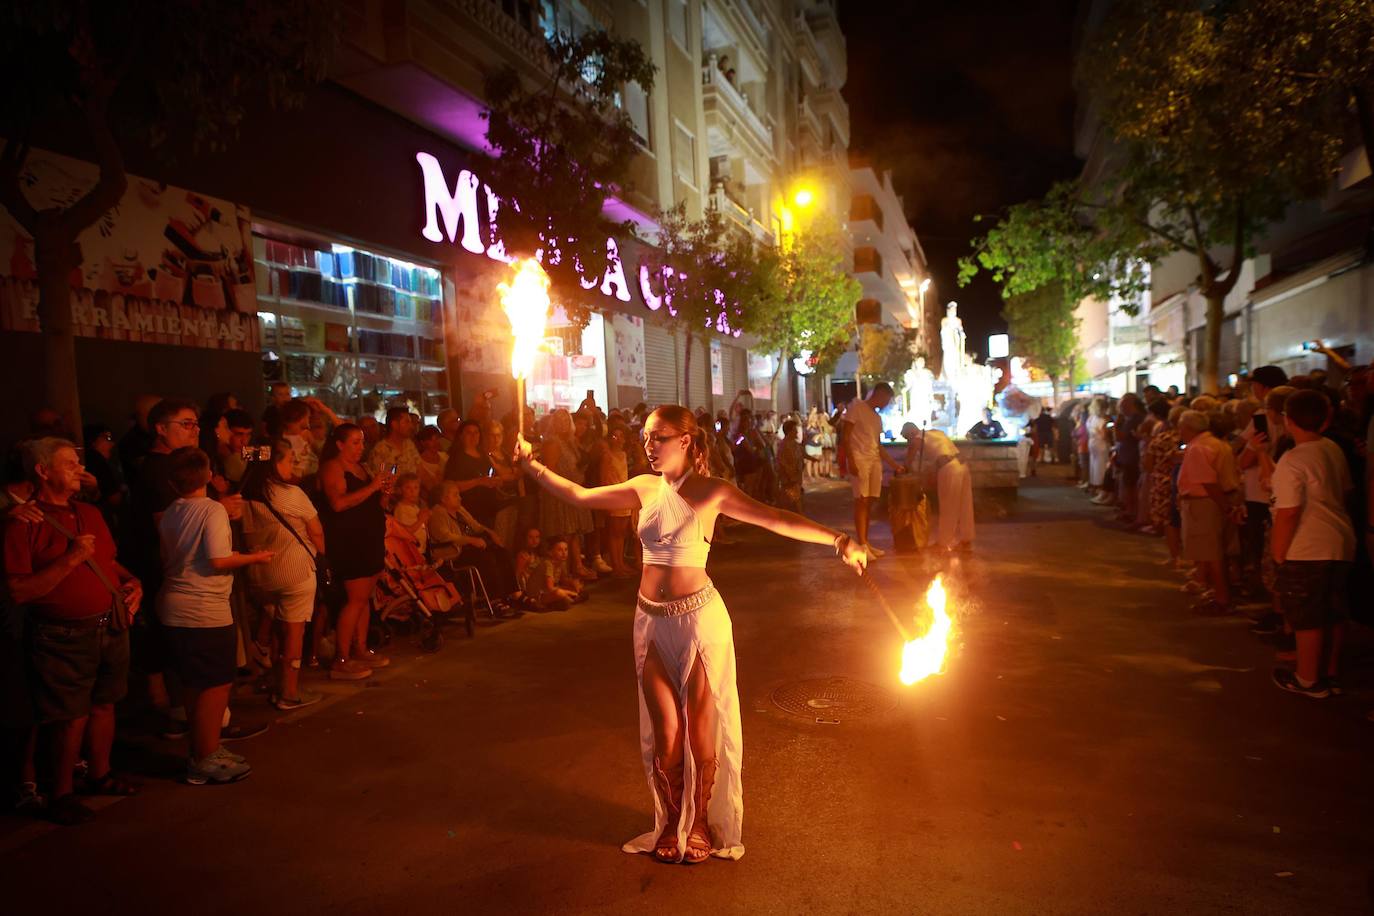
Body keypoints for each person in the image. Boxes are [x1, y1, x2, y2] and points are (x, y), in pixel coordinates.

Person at [514, 405, 867, 863]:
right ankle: (669, 821)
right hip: (650, 620)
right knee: (666, 731)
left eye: (658, 437)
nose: (648, 446)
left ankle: (697, 823)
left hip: (699, 620)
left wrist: (839, 541)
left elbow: (776, 518)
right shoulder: (643, 488)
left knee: (701, 729)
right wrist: (531, 464)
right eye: (645, 437)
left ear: (685, 440)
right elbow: (580, 495)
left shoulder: (712, 492)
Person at [5, 438, 143, 824]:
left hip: (109, 625)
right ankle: (60, 792)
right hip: (62, 635)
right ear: (42, 470)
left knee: (104, 703)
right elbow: (20, 590)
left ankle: (100, 773)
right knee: (69, 716)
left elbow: (109, 563)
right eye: (68, 464)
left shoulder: (89, 512)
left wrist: (135, 583)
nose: (79, 471)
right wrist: (70, 560)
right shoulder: (23, 524)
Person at [156, 447, 272, 784]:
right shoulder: (211, 510)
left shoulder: (170, 512)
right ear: (208, 476)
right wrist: (255, 557)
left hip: (173, 606)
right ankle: (205, 758)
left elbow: (181, 557)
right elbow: (219, 560)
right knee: (216, 685)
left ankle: (202, 749)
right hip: (203, 609)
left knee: (194, 685)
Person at [1269, 390, 1356, 698]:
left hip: (1307, 546)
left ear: (1287, 420)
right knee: (1333, 611)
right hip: (1340, 540)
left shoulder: (1292, 460)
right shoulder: (1331, 449)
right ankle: (1329, 672)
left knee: (1307, 615)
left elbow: (1288, 512)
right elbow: (1345, 491)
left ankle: (1307, 679)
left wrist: (1279, 552)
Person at [239, 438, 326, 711]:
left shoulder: (245, 494)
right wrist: (324, 555)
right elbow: (316, 532)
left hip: (259, 573)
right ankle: (289, 692)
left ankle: (275, 682)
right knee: (293, 631)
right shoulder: (291, 494)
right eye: (289, 459)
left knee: (277, 624)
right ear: (274, 463)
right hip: (294, 571)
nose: (294, 464)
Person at [318, 424, 393, 680]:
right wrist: (372, 488)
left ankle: (360, 648)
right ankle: (341, 658)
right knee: (354, 600)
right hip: (350, 542)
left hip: (369, 539)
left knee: (365, 599)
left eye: (362, 442)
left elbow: (372, 503)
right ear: (339, 444)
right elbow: (338, 503)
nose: (361, 447)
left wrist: (383, 494)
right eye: (354, 442)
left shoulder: (361, 468)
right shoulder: (333, 467)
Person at [1176, 409, 1240, 614]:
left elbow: (1208, 482)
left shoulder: (1199, 447)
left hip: (1206, 503)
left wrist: (1224, 507)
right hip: (1217, 500)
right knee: (1217, 550)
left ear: (1189, 428)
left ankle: (1221, 598)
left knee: (1211, 553)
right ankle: (1218, 593)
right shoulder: (1216, 443)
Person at [840, 383, 905, 558]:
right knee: (861, 501)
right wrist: (851, 460)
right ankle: (861, 544)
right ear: (880, 395)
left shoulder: (877, 418)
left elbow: (879, 446)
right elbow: (845, 436)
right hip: (860, 460)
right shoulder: (857, 407)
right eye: (887, 400)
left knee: (869, 501)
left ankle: (866, 542)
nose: (887, 404)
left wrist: (894, 465)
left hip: (874, 461)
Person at [901, 424, 975, 551]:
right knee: (965, 504)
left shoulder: (918, 438)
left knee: (948, 505)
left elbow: (908, 461)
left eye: (907, 438)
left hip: (949, 468)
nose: (909, 441)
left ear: (911, 432)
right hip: (962, 465)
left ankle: (943, 543)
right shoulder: (936, 432)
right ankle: (966, 540)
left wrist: (903, 469)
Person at [369, 406, 422, 480]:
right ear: (394, 424)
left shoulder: (409, 444)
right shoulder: (380, 450)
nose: (411, 426)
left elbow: (419, 469)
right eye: (407, 422)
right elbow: (378, 481)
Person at [1087, 398, 1111, 500]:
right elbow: (1104, 435)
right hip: (1101, 444)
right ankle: (1100, 488)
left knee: (1094, 465)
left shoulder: (1091, 418)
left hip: (1092, 442)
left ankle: (1094, 485)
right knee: (1101, 467)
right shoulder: (1103, 420)